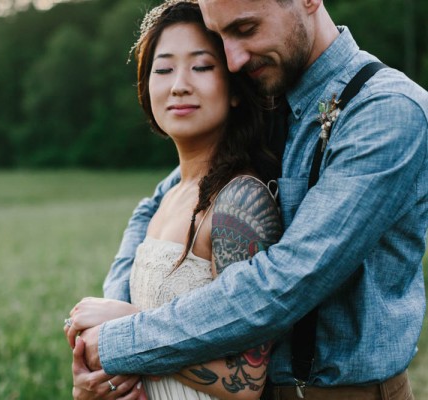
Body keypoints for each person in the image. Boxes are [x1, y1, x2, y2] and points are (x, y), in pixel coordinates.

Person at [72, 0, 428, 399]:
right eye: (220, 36)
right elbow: (163, 198)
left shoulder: (387, 111)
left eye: (244, 30)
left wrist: (122, 341)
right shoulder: (270, 95)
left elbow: (285, 282)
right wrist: (105, 330)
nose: (234, 60)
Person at [64, 1, 283, 398]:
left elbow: (249, 381)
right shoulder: (166, 199)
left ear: (235, 89)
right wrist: (98, 386)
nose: (179, 84)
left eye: (201, 67)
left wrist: (125, 327)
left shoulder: (238, 201)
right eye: (163, 69)